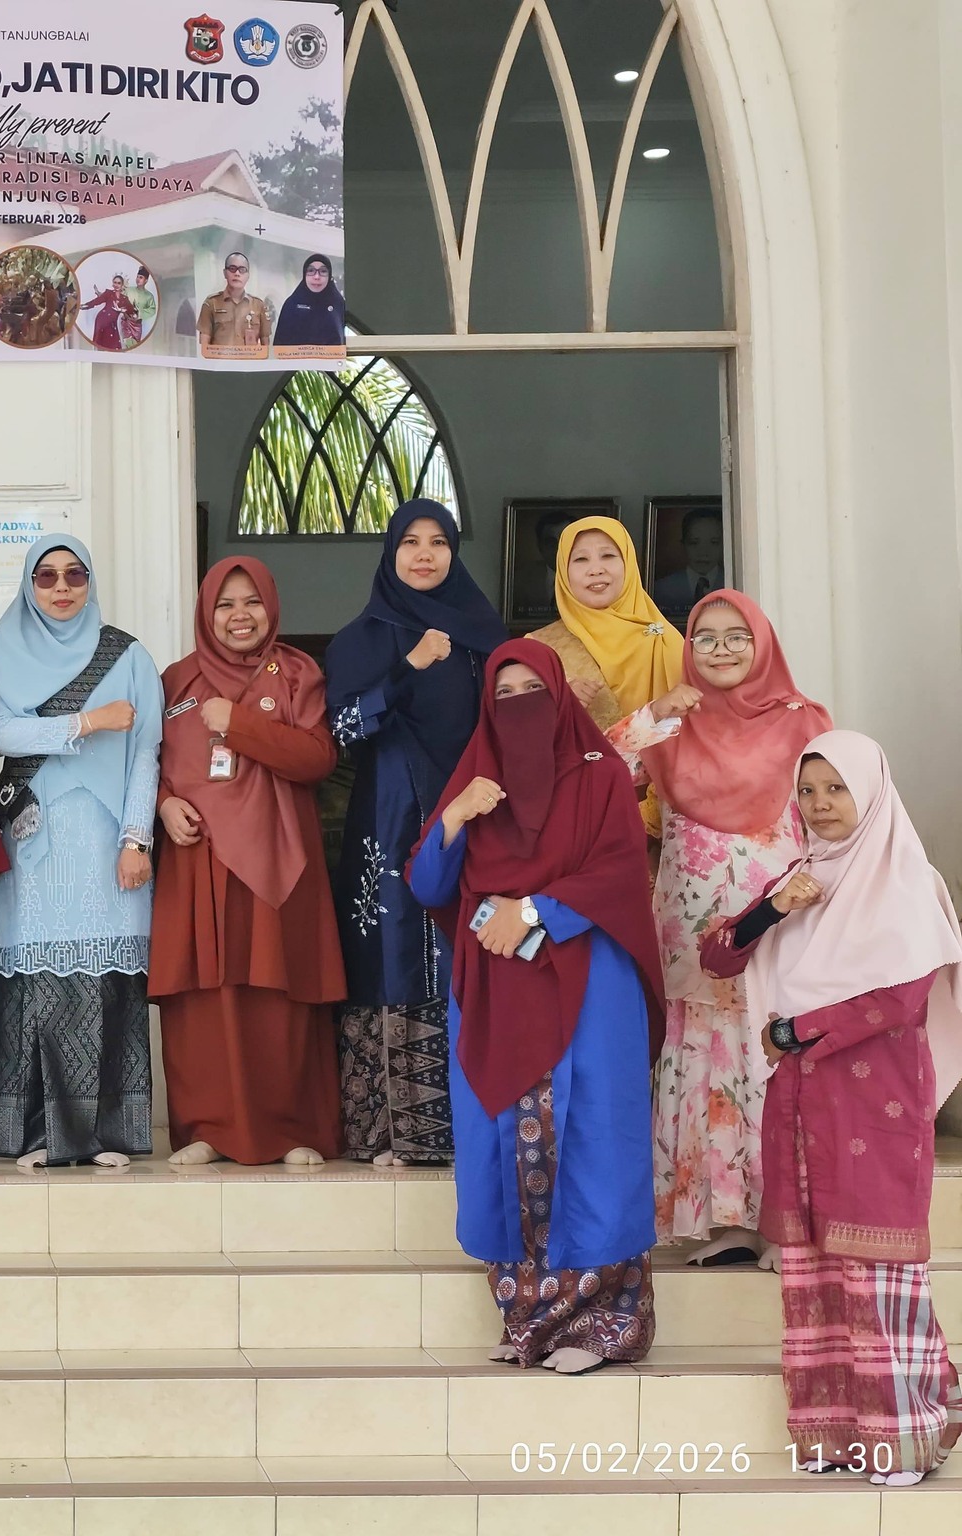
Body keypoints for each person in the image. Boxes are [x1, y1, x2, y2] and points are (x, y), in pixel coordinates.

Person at [702, 733, 962, 1485]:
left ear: (871, 793)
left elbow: (900, 1000)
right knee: (812, 1269)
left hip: (876, 1100)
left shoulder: (905, 882)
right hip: (800, 1099)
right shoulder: (799, 879)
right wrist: (771, 909)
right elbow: (718, 954)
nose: (819, 805)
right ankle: (835, 1437)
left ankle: (903, 1437)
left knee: (878, 1268)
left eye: (836, 789)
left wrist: (796, 1030)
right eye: (808, 790)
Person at [407, 640, 660, 1373]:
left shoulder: (601, 774)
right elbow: (427, 884)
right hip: (498, 986)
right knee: (507, 1144)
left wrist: (539, 910)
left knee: (590, 1139)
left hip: (588, 980)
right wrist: (455, 817)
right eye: (504, 694)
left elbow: (619, 871)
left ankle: (606, 1325)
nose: (519, 706)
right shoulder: (476, 781)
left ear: (561, 697)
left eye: (533, 691)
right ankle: (530, 1322)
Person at [605, 591, 830, 1265]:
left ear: (763, 643)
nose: (723, 649)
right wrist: (652, 716)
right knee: (708, 1061)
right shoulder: (672, 723)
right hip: (692, 927)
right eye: (706, 637)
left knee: (773, 1053)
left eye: (738, 636)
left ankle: (787, 1225)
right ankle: (725, 1221)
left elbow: (835, 811)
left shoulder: (804, 719)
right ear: (688, 647)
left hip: (780, 923)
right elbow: (594, 776)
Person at [326, 501, 506, 1165]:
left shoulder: (484, 636)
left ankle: (469, 1128)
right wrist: (408, 669)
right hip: (388, 813)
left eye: (438, 542)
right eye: (410, 541)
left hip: (475, 811)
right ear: (390, 552)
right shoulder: (362, 639)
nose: (425, 554)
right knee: (389, 948)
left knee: (470, 952)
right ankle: (388, 1133)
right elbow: (341, 732)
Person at [150, 555, 345, 1167]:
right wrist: (163, 805)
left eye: (252, 601)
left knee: (278, 995)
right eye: (225, 604)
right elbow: (143, 764)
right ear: (206, 612)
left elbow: (316, 759)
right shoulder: (176, 680)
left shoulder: (297, 673)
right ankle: (207, 1129)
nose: (240, 616)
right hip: (198, 859)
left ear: (271, 606)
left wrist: (237, 724)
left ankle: (290, 1130)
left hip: (278, 858)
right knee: (204, 998)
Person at [0, 535, 164, 1169]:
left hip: (105, 839)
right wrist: (88, 722)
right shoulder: (2, 650)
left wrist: (135, 839)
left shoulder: (129, 655)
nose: (61, 588)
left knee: (105, 984)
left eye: (74, 575)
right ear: (29, 585)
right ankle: (33, 1135)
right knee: (36, 983)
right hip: (33, 842)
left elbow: (145, 754)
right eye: (47, 576)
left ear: (90, 582)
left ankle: (107, 1135)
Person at [528, 515, 683, 833]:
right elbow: (520, 743)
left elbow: (698, 727)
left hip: (667, 811)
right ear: (562, 572)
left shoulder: (666, 640)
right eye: (581, 559)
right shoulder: (539, 649)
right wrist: (558, 704)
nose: (596, 569)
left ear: (629, 564)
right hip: (577, 811)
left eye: (608, 555)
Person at [649, 509, 726, 628]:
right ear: (683, 545)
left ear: (724, 544)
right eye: (694, 543)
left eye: (714, 542)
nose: (703, 552)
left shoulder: (732, 585)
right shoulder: (662, 589)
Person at [197, 252, 269, 350]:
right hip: (219, 359)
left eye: (242, 270)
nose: (237, 273)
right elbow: (204, 346)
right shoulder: (211, 303)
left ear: (248, 275)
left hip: (249, 360)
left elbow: (265, 346)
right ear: (225, 273)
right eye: (232, 269)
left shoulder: (258, 305)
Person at [271, 253, 346, 347]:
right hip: (295, 356)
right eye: (311, 271)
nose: (317, 277)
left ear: (329, 275)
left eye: (323, 271)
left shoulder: (338, 304)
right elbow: (279, 342)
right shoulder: (292, 304)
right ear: (304, 275)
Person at [81, 275, 137, 351]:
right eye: (115, 282)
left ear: (122, 285)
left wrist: (121, 310)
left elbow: (131, 311)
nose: (116, 285)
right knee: (100, 344)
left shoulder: (124, 299)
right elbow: (96, 301)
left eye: (119, 283)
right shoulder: (108, 293)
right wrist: (85, 306)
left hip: (112, 323)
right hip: (102, 320)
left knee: (113, 345)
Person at [127, 266, 157, 344]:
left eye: (141, 277)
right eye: (137, 277)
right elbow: (117, 298)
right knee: (126, 343)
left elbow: (152, 310)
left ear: (146, 280)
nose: (138, 279)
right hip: (125, 323)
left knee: (135, 344)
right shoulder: (128, 290)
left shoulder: (149, 296)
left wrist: (139, 314)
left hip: (137, 325)